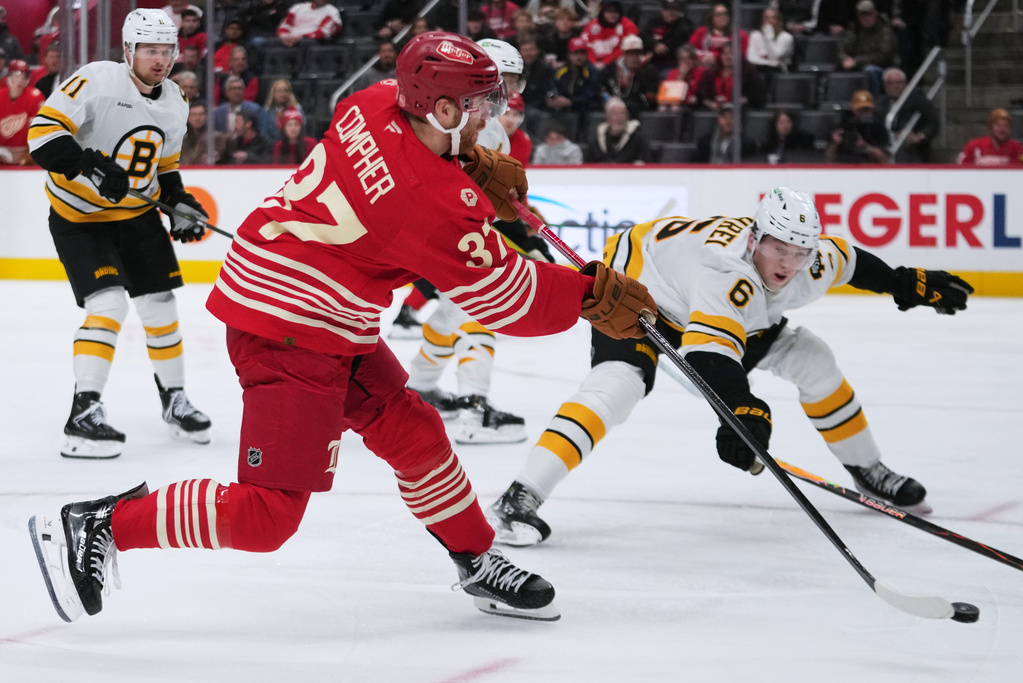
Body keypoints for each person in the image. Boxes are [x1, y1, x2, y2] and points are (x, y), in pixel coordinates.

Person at [28, 30, 655, 625]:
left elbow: (415, 156)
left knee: (414, 430)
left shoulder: (373, 100)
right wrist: (594, 295)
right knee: (267, 515)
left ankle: (474, 557)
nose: (494, 111)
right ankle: (103, 526)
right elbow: (506, 298)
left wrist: (470, 162)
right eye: (478, 103)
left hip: (318, 307)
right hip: (288, 325)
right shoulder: (426, 204)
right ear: (438, 109)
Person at [486, 187, 974, 547]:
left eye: (799, 253)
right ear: (755, 237)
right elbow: (710, 355)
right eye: (777, 249)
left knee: (814, 358)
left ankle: (869, 470)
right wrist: (740, 411)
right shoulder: (726, 274)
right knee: (617, 385)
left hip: (712, 310)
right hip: (638, 289)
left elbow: (853, 262)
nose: (787, 263)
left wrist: (906, 283)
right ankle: (520, 496)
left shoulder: (811, 259)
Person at [26, 8, 212, 459]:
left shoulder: (175, 100)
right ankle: (84, 413)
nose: (160, 59)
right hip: (79, 217)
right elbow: (42, 132)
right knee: (108, 305)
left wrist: (181, 204)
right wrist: (88, 163)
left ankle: (174, 401)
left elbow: (165, 167)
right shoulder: (97, 79)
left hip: (137, 216)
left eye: (167, 51)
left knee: (161, 306)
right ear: (128, 50)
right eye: (150, 50)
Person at [402, 38, 537, 445]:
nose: (510, 92)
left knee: (448, 316)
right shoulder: (474, 125)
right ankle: (474, 409)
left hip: (441, 232)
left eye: (514, 81)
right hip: (453, 235)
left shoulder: (474, 122)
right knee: (480, 315)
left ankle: (419, 389)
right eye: (504, 79)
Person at [876, 67, 938, 163]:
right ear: (885, 85)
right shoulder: (881, 104)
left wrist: (919, 137)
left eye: (898, 82)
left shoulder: (917, 99)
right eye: (890, 83)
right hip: (886, 147)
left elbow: (933, 122)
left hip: (911, 149)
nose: (895, 86)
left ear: (905, 84)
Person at [839, 0, 898, 99]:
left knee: (870, 71)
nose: (866, 18)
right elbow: (842, 50)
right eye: (862, 15)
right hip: (857, 66)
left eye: (868, 15)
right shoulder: (854, 30)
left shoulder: (885, 30)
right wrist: (845, 59)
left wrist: (856, 61)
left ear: (875, 14)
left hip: (883, 68)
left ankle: (875, 103)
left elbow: (884, 56)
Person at [597, 34, 660, 117]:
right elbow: (601, 88)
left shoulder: (649, 70)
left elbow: (652, 96)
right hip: (612, 103)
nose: (633, 57)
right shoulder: (611, 69)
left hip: (637, 108)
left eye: (637, 53)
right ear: (624, 53)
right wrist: (609, 100)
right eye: (630, 53)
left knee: (631, 105)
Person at [0, 59, 44, 165]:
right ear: (9, 77)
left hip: (25, 155)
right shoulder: (1, 96)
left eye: (24, 76)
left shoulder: (36, 97)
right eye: (16, 75)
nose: (20, 80)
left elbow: (40, 130)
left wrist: (30, 152)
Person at [826, 90, 889, 164]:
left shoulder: (878, 128)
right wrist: (835, 144)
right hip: (845, 166)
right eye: (861, 110)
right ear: (853, 109)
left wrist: (866, 148)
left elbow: (886, 161)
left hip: (871, 168)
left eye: (867, 109)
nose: (864, 113)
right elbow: (829, 160)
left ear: (872, 109)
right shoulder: (843, 127)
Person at [584, 95, 651, 163]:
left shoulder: (638, 139)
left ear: (627, 117)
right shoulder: (597, 141)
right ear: (607, 118)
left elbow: (646, 163)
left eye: (622, 113)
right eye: (614, 114)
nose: (619, 118)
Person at [640, 0, 695, 78]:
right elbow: (643, 36)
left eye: (674, 9)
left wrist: (665, 46)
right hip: (652, 61)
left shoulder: (686, 24)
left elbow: (679, 39)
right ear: (662, 10)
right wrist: (655, 45)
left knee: (663, 75)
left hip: (673, 62)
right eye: (667, 9)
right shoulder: (654, 22)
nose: (671, 12)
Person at [580, 0, 639, 69]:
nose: (612, 15)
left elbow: (626, 49)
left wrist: (605, 62)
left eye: (615, 11)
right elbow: (585, 46)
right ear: (602, 12)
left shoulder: (629, 26)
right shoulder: (591, 26)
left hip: (616, 62)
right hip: (592, 62)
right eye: (608, 11)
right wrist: (594, 63)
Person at [956, 108, 1023, 167]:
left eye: (1006, 126)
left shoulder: (1017, 148)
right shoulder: (974, 146)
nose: (1002, 129)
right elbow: (961, 169)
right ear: (991, 127)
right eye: (998, 125)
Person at [689, 4, 748, 68]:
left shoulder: (740, 34)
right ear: (711, 17)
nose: (723, 17)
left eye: (725, 14)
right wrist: (702, 57)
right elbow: (690, 49)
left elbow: (742, 55)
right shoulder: (702, 31)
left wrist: (715, 56)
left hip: (730, 69)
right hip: (705, 67)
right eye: (718, 14)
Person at [746, 6, 794, 81]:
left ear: (779, 21)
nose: (770, 21)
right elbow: (751, 58)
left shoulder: (786, 38)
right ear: (762, 21)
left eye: (773, 18)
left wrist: (769, 37)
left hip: (779, 75)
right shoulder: (755, 35)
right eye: (767, 18)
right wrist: (771, 63)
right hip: (759, 72)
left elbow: (774, 56)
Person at [656, 43, 703, 111]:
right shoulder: (673, 73)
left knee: (675, 107)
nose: (685, 62)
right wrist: (681, 76)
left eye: (689, 59)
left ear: (694, 60)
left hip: (693, 105)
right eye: (682, 59)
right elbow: (672, 95)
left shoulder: (700, 72)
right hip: (676, 103)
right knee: (663, 108)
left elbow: (695, 92)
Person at [180, 99, 224, 165]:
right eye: (194, 115)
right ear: (188, 118)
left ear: (206, 116)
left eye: (201, 114)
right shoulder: (183, 140)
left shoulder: (215, 137)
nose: (198, 118)